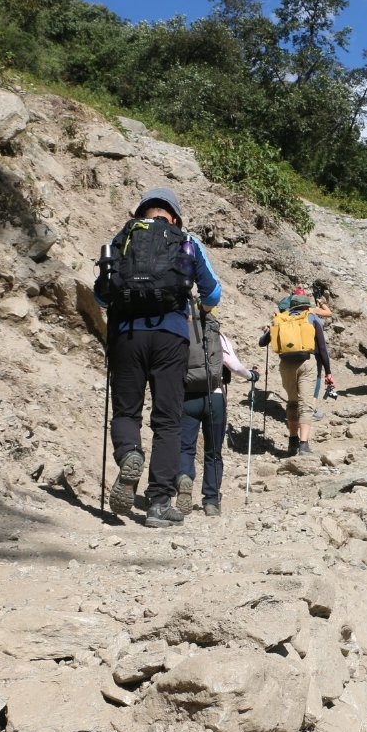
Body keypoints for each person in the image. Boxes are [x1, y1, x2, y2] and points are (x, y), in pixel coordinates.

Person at [94, 187, 222, 529]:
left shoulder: (123, 236)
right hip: (171, 337)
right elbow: (213, 292)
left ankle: (129, 454)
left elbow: (100, 293)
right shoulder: (186, 240)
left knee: (126, 412)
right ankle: (159, 503)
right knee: (167, 420)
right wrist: (198, 309)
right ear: (174, 217)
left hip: (126, 337)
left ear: (141, 213)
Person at [177, 313, 258, 519]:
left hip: (187, 399)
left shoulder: (180, 333)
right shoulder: (218, 337)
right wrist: (252, 375)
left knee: (186, 447)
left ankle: (184, 478)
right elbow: (234, 365)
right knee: (213, 452)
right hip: (215, 398)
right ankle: (211, 501)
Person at [259, 293, 333, 456]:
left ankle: (292, 442)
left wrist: (268, 331)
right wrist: (328, 372)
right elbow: (322, 348)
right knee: (306, 404)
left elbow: (262, 342)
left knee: (293, 403)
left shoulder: (281, 319)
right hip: (306, 362)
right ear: (307, 306)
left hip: (286, 365)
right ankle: (304, 445)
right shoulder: (311, 317)